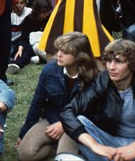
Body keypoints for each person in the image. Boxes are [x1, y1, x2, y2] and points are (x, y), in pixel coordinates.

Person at [61, 39, 135, 161]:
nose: (111, 67)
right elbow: (68, 112)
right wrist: (94, 145)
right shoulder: (103, 80)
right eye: (108, 61)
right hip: (113, 143)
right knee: (81, 120)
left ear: (132, 64)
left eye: (118, 61)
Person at [16, 32, 98, 160]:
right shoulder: (49, 70)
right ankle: (57, 147)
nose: (58, 54)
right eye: (59, 50)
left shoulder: (94, 77)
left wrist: (64, 125)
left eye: (65, 52)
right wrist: (24, 133)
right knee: (25, 154)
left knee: (65, 158)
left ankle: (72, 149)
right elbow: (37, 102)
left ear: (79, 56)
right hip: (51, 118)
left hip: (77, 124)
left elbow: (92, 112)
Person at [8, 0, 52, 74]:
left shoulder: (50, 18)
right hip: (31, 42)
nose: (46, 14)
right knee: (23, 50)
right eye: (43, 12)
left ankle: (43, 59)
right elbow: (24, 36)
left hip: (46, 41)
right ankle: (16, 64)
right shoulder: (29, 19)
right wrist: (20, 47)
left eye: (47, 12)